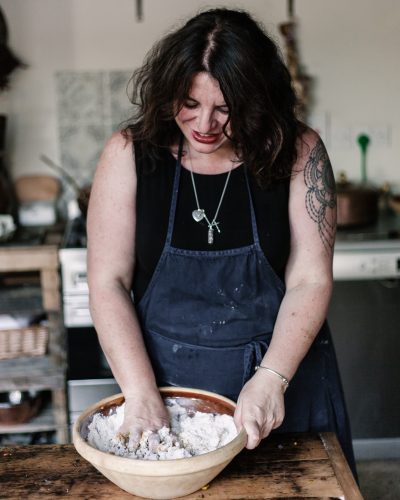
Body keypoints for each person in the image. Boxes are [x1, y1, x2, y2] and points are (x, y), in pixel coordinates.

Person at [87, 8, 356, 474]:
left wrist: (272, 378)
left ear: (256, 101)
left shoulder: (298, 153)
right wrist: (141, 391)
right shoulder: (130, 154)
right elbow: (107, 281)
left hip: (283, 382)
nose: (204, 124)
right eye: (188, 102)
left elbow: (311, 278)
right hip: (169, 394)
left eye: (226, 108)